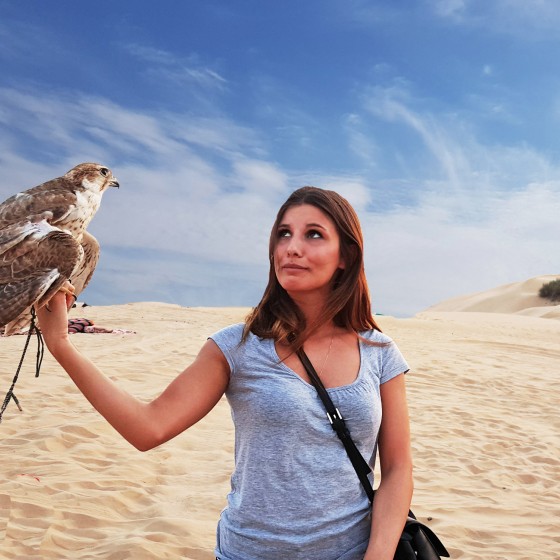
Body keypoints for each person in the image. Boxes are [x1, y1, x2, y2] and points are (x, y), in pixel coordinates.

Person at [37, 186, 413, 560]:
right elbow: (147, 428)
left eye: (313, 234)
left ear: (346, 255)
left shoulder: (379, 352)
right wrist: (61, 346)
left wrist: (377, 556)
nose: (292, 247)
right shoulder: (238, 346)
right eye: (284, 233)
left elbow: (397, 468)